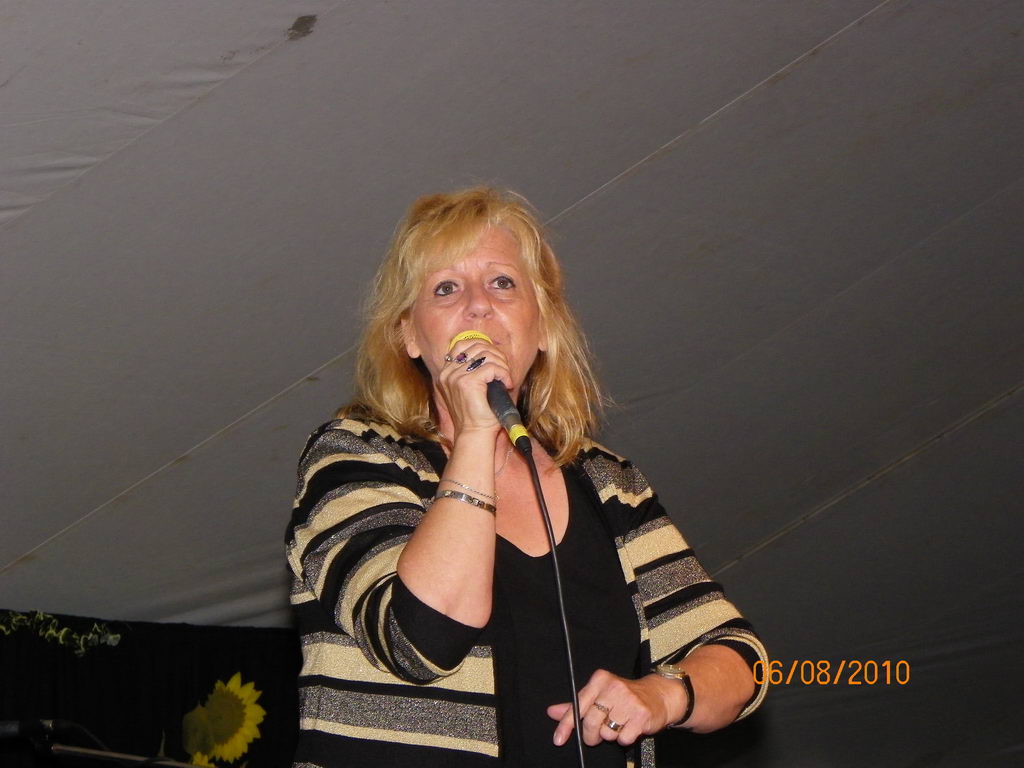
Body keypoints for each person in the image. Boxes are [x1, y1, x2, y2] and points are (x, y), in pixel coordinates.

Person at [285, 187, 767, 768]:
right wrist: (474, 435)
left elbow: (739, 658)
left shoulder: (608, 482)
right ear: (409, 335)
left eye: (502, 283)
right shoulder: (355, 455)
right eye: (446, 288)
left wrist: (663, 696)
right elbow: (422, 639)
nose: (478, 306)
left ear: (541, 327)